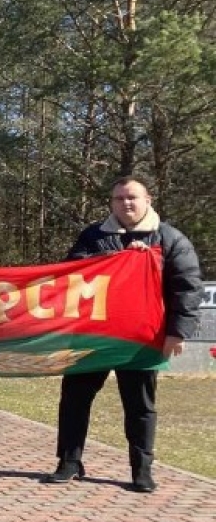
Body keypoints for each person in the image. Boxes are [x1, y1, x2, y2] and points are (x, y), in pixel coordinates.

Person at [46, 176, 203, 492]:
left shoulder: (170, 238)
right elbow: (72, 272)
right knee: (75, 399)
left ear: (147, 200)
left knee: (139, 406)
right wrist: (117, 260)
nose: (125, 203)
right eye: (119, 198)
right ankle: (69, 462)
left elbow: (187, 288)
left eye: (132, 197)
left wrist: (178, 332)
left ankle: (141, 470)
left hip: (140, 340)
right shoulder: (93, 236)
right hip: (92, 336)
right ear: (111, 203)